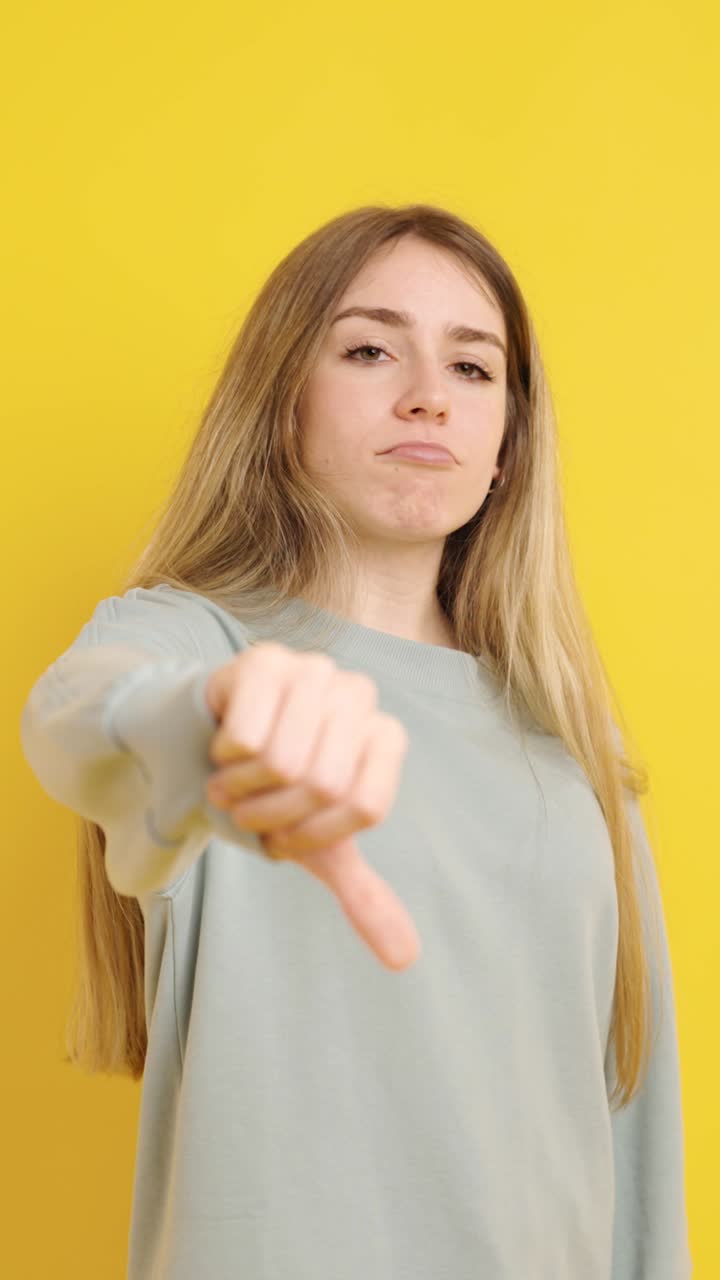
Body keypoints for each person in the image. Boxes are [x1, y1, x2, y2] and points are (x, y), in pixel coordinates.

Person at [20, 204, 692, 1278]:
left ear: (510, 446)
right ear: (281, 405)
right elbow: (79, 719)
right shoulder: (191, 640)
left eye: (474, 368)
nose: (427, 391)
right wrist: (215, 725)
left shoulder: (569, 729)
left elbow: (629, 1104)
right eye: (371, 347)